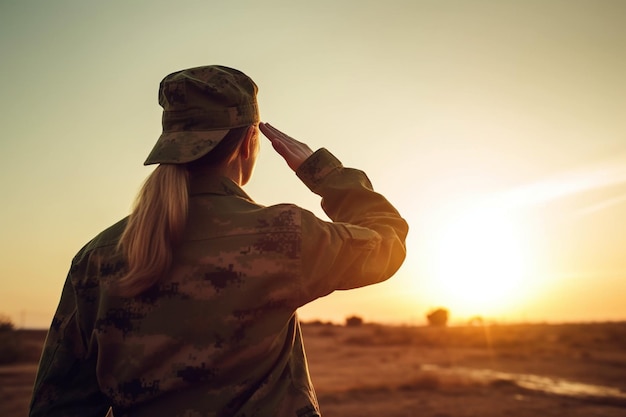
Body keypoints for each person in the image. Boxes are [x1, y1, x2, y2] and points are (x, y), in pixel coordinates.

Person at [29, 65, 409, 417]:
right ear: (248, 142)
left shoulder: (98, 257)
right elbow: (387, 241)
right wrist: (323, 172)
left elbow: (59, 404)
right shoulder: (283, 235)